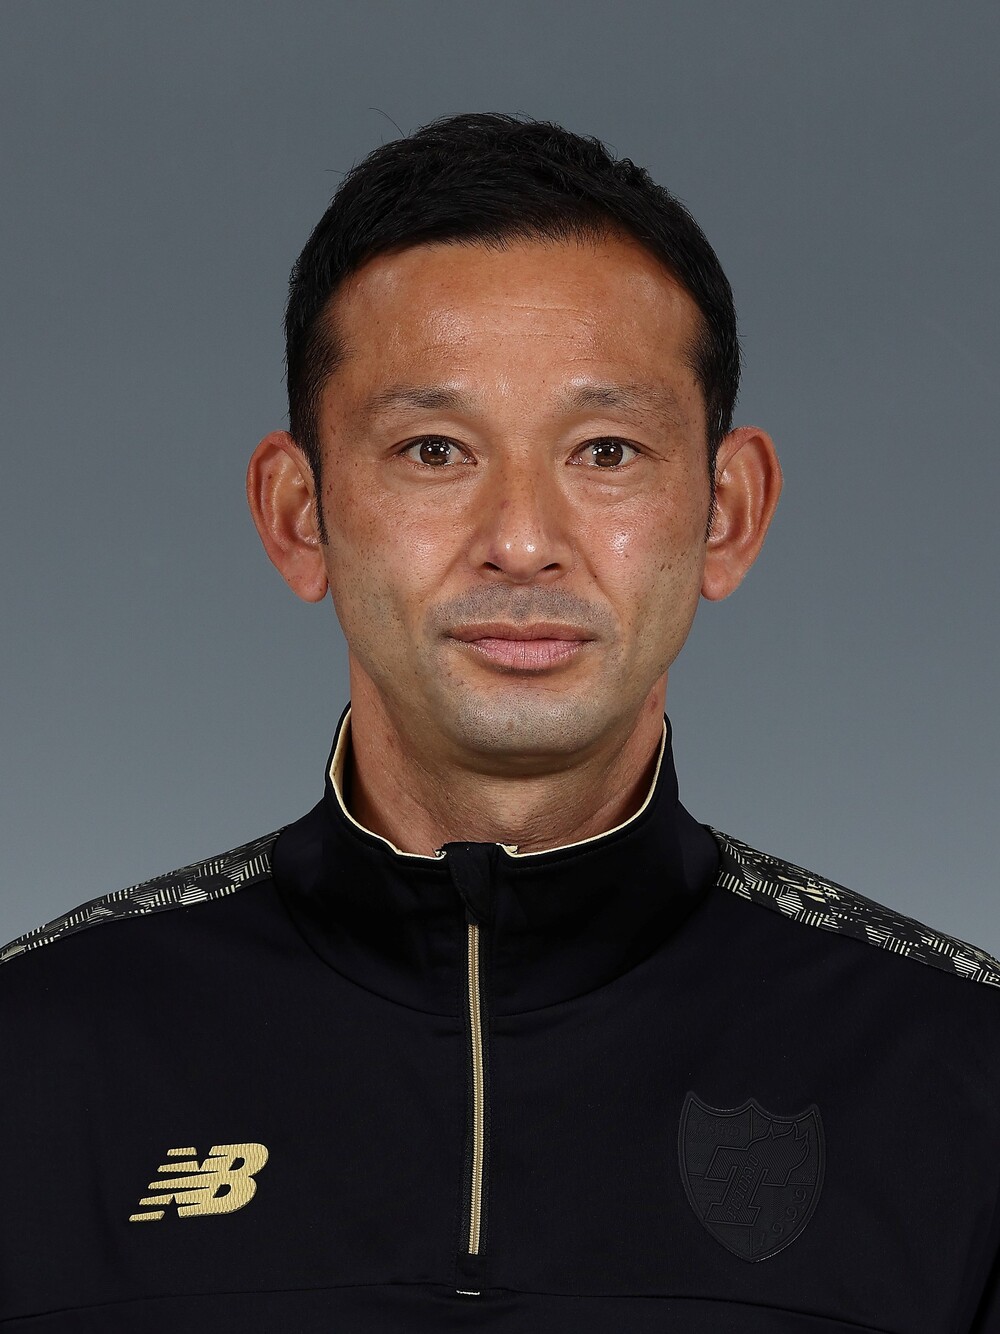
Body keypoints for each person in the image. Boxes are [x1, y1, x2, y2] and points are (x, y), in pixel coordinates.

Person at [2, 113, 998, 1333]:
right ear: (299, 514)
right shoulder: (36, 1059)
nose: (522, 540)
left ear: (726, 513)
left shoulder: (962, 1076)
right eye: (434, 449)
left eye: (606, 450)